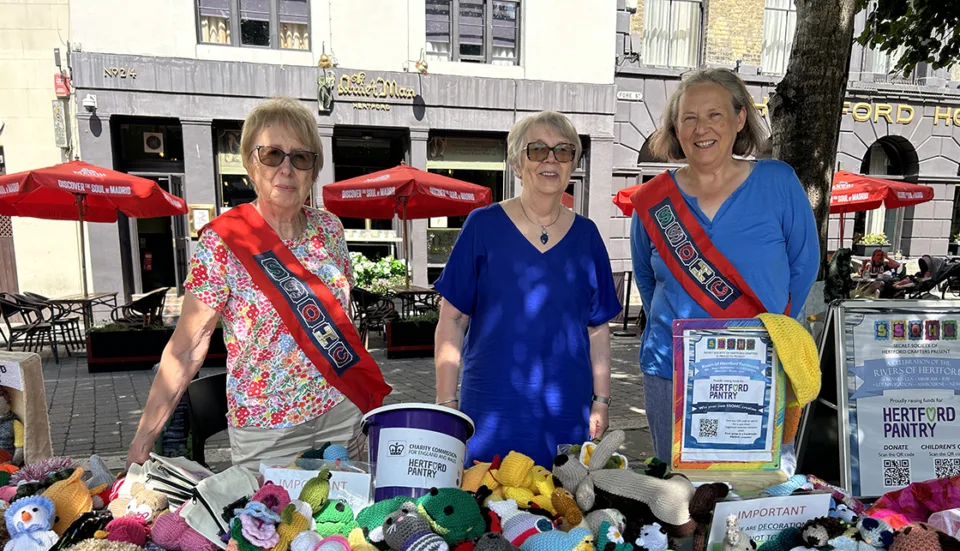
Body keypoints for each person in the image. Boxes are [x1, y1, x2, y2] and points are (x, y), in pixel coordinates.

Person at [126, 97, 390, 471]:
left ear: (314, 171)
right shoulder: (222, 241)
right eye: (272, 155)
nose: (287, 168)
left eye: (301, 157)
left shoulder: (329, 230)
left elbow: (342, 319)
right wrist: (143, 440)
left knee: (346, 524)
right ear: (251, 163)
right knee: (270, 527)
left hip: (342, 412)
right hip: (268, 430)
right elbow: (186, 348)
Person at [630, 68, 819, 463]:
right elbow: (648, 286)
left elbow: (804, 267)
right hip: (671, 370)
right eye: (689, 118)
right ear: (676, 129)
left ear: (739, 120)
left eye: (714, 114)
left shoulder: (778, 183)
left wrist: (764, 327)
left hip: (760, 368)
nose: (702, 128)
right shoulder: (652, 200)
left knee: (758, 497)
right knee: (680, 502)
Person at [434, 111, 622, 468]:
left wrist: (601, 401)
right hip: (492, 405)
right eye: (537, 150)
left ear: (573, 164)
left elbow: (598, 328)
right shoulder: (483, 226)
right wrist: (447, 405)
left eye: (563, 151)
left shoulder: (587, 236)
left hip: (566, 406)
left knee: (564, 505)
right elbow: (452, 319)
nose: (550, 159)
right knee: (485, 505)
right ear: (518, 162)